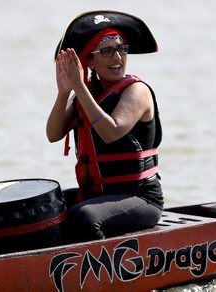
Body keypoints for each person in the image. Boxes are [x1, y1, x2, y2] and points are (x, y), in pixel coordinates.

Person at [46, 11, 163, 241]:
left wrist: (79, 88)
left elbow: (111, 132)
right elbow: (53, 134)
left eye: (121, 49)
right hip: (97, 194)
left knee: (84, 217)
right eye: (107, 51)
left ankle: (99, 271)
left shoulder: (137, 91)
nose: (117, 57)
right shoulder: (86, 94)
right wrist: (63, 94)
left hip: (140, 198)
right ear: (89, 61)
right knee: (44, 206)